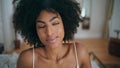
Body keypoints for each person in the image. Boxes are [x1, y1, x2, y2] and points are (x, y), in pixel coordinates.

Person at [13, 0, 91, 68]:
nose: (49, 33)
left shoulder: (80, 52)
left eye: (55, 23)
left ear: (65, 23)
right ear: (34, 30)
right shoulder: (27, 59)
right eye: (41, 26)